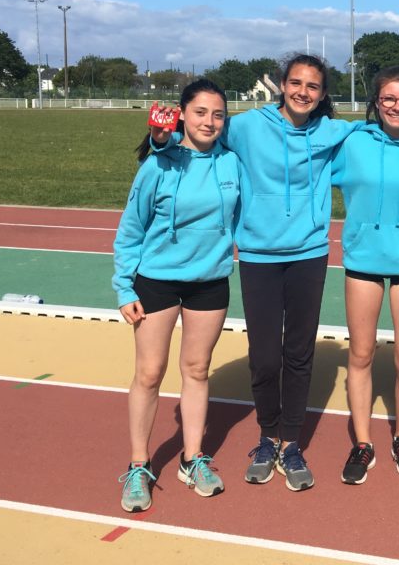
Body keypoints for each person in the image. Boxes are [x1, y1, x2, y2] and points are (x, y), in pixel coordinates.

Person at [151, 55, 359, 492]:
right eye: (296, 82)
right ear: (282, 84)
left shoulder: (331, 131)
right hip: (259, 256)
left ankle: (291, 443)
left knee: (299, 353)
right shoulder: (245, 126)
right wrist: (158, 139)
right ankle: (267, 436)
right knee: (265, 356)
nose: (304, 92)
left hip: (309, 254)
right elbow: (195, 133)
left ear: (323, 94)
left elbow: (379, 131)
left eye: (314, 86)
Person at [114, 79, 239, 512]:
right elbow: (131, 229)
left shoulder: (232, 164)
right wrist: (124, 286)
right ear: (182, 114)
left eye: (218, 114)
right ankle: (138, 464)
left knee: (197, 370)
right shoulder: (158, 165)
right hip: (157, 281)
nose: (209, 121)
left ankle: (192, 458)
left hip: (210, 280)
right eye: (201, 112)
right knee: (149, 372)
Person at [331, 65, 399, 485]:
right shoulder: (352, 142)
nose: (397, 106)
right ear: (375, 102)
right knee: (360, 356)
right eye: (389, 98)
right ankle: (362, 442)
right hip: (363, 261)